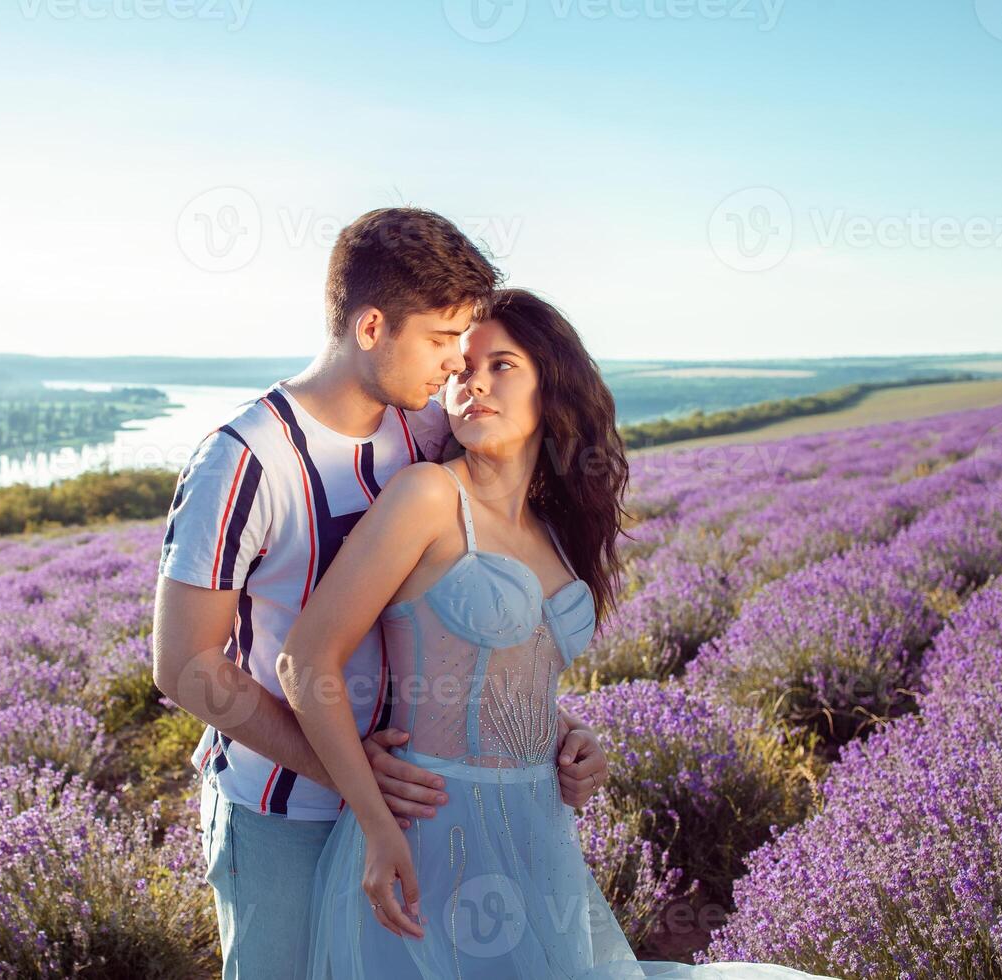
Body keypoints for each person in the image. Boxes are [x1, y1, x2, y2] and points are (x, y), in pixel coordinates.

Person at [277, 288, 838, 979]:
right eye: (458, 369)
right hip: (430, 840)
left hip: (539, 836)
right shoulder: (427, 496)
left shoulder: (556, 531)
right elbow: (305, 659)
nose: (472, 382)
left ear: (552, 387)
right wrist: (373, 820)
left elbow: (508, 674)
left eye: (502, 365)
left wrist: (571, 740)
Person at [153, 209, 612, 980]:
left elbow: (454, 616)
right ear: (372, 327)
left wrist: (543, 729)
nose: (454, 366)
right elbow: (185, 667)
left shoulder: (426, 434)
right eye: (442, 343)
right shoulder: (243, 461)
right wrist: (356, 781)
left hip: (421, 806)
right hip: (285, 812)